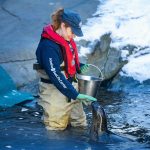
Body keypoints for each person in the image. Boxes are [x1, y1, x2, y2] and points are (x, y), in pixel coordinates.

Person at [35, 8, 97, 131]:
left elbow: (69, 60)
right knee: (56, 128)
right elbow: (55, 74)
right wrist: (75, 95)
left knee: (79, 124)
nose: (74, 35)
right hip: (55, 92)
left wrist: (79, 67)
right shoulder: (48, 46)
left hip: (71, 89)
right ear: (63, 25)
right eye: (73, 31)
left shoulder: (66, 40)